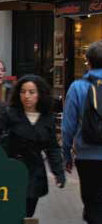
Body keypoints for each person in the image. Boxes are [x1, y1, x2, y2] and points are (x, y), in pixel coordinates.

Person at [3, 74, 65, 217]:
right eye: (23, 91)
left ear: (40, 94)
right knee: (11, 214)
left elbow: (52, 148)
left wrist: (58, 173)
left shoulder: (46, 118)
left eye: (31, 92)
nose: (26, 96)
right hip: (12, 170)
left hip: (34, 172)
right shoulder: (10, 114)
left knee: (28, 214)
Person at [63, 40, 102, 224]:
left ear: (88, 61)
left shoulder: (77, 87)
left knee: (92, 204)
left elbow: (68, 126)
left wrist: (66, 156)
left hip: (87, 156)